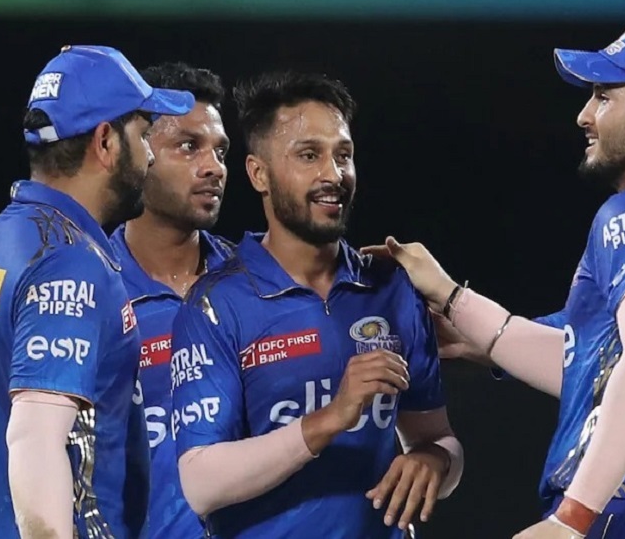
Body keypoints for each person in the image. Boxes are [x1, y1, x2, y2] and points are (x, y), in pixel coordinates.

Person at [367, 21, 625, 539]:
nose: (584, 115)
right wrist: (455, 301)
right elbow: (589, 365)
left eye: (604, 96)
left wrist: (572, 517)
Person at [168, 70, 464, 538]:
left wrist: (434, 460)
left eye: (343, 155)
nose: (333, 175)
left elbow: (438, 438)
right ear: (258, 174)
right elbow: (202, 484)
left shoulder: (392, 287)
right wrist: (329, 419)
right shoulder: (215, 304)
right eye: (309, 155)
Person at [0, 45, 194, 537]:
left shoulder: (0, 240)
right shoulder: (68, 261)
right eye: (143, 134)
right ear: (105, 142)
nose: (149, 155)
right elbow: (35, 441)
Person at [107, 61, 235, 538]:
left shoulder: (255, 283)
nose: (213, 167)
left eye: (220, 150)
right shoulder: (95, 288)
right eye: (188, 146)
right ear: (139, 152)